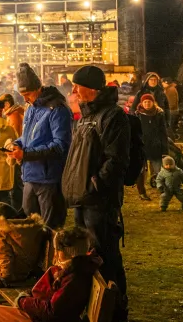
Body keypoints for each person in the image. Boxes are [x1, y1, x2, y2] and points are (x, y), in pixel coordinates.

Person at [61, 65, 129, 320]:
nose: (74, 90)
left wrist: (95, 185)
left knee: (105, 257)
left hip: (99, 202)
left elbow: (116, 159)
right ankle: (93, 309)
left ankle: (115, 310)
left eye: (77, 85)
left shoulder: (113, 116)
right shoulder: (85, 117)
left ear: (91, 88)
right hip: (82, 199)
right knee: (87, 257)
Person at [0, 228, 100, 322]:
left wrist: (23, 301)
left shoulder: (74, 277)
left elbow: (51, 312)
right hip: (33, 313)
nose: (55, 254)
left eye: (57, 250)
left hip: (34, 317)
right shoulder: (76, 268)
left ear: (64, 252)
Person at [7, 63, 70, 229]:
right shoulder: (30, 108)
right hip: (30, 176)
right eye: (22, 95)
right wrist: (16, 144)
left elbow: (60, 145)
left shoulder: (57, 109)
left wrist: (26, 154)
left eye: (27, 94)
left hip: (49, 179)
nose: (25, 99)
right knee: (30, 226)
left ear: (38, 88)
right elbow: (27, 137)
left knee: (49, 228)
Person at [135, 94, 168, 201]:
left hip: (155, 147)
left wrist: (165, 149)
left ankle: (162, 190)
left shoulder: (159, 114)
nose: (147, 104)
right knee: (140, 172)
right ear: (141, 103)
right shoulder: (137, 115)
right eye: (145, 102)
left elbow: (163, 132)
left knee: (159, 171)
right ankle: (142, 192)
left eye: (149, 102)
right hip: (142, 147)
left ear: (153, 102)